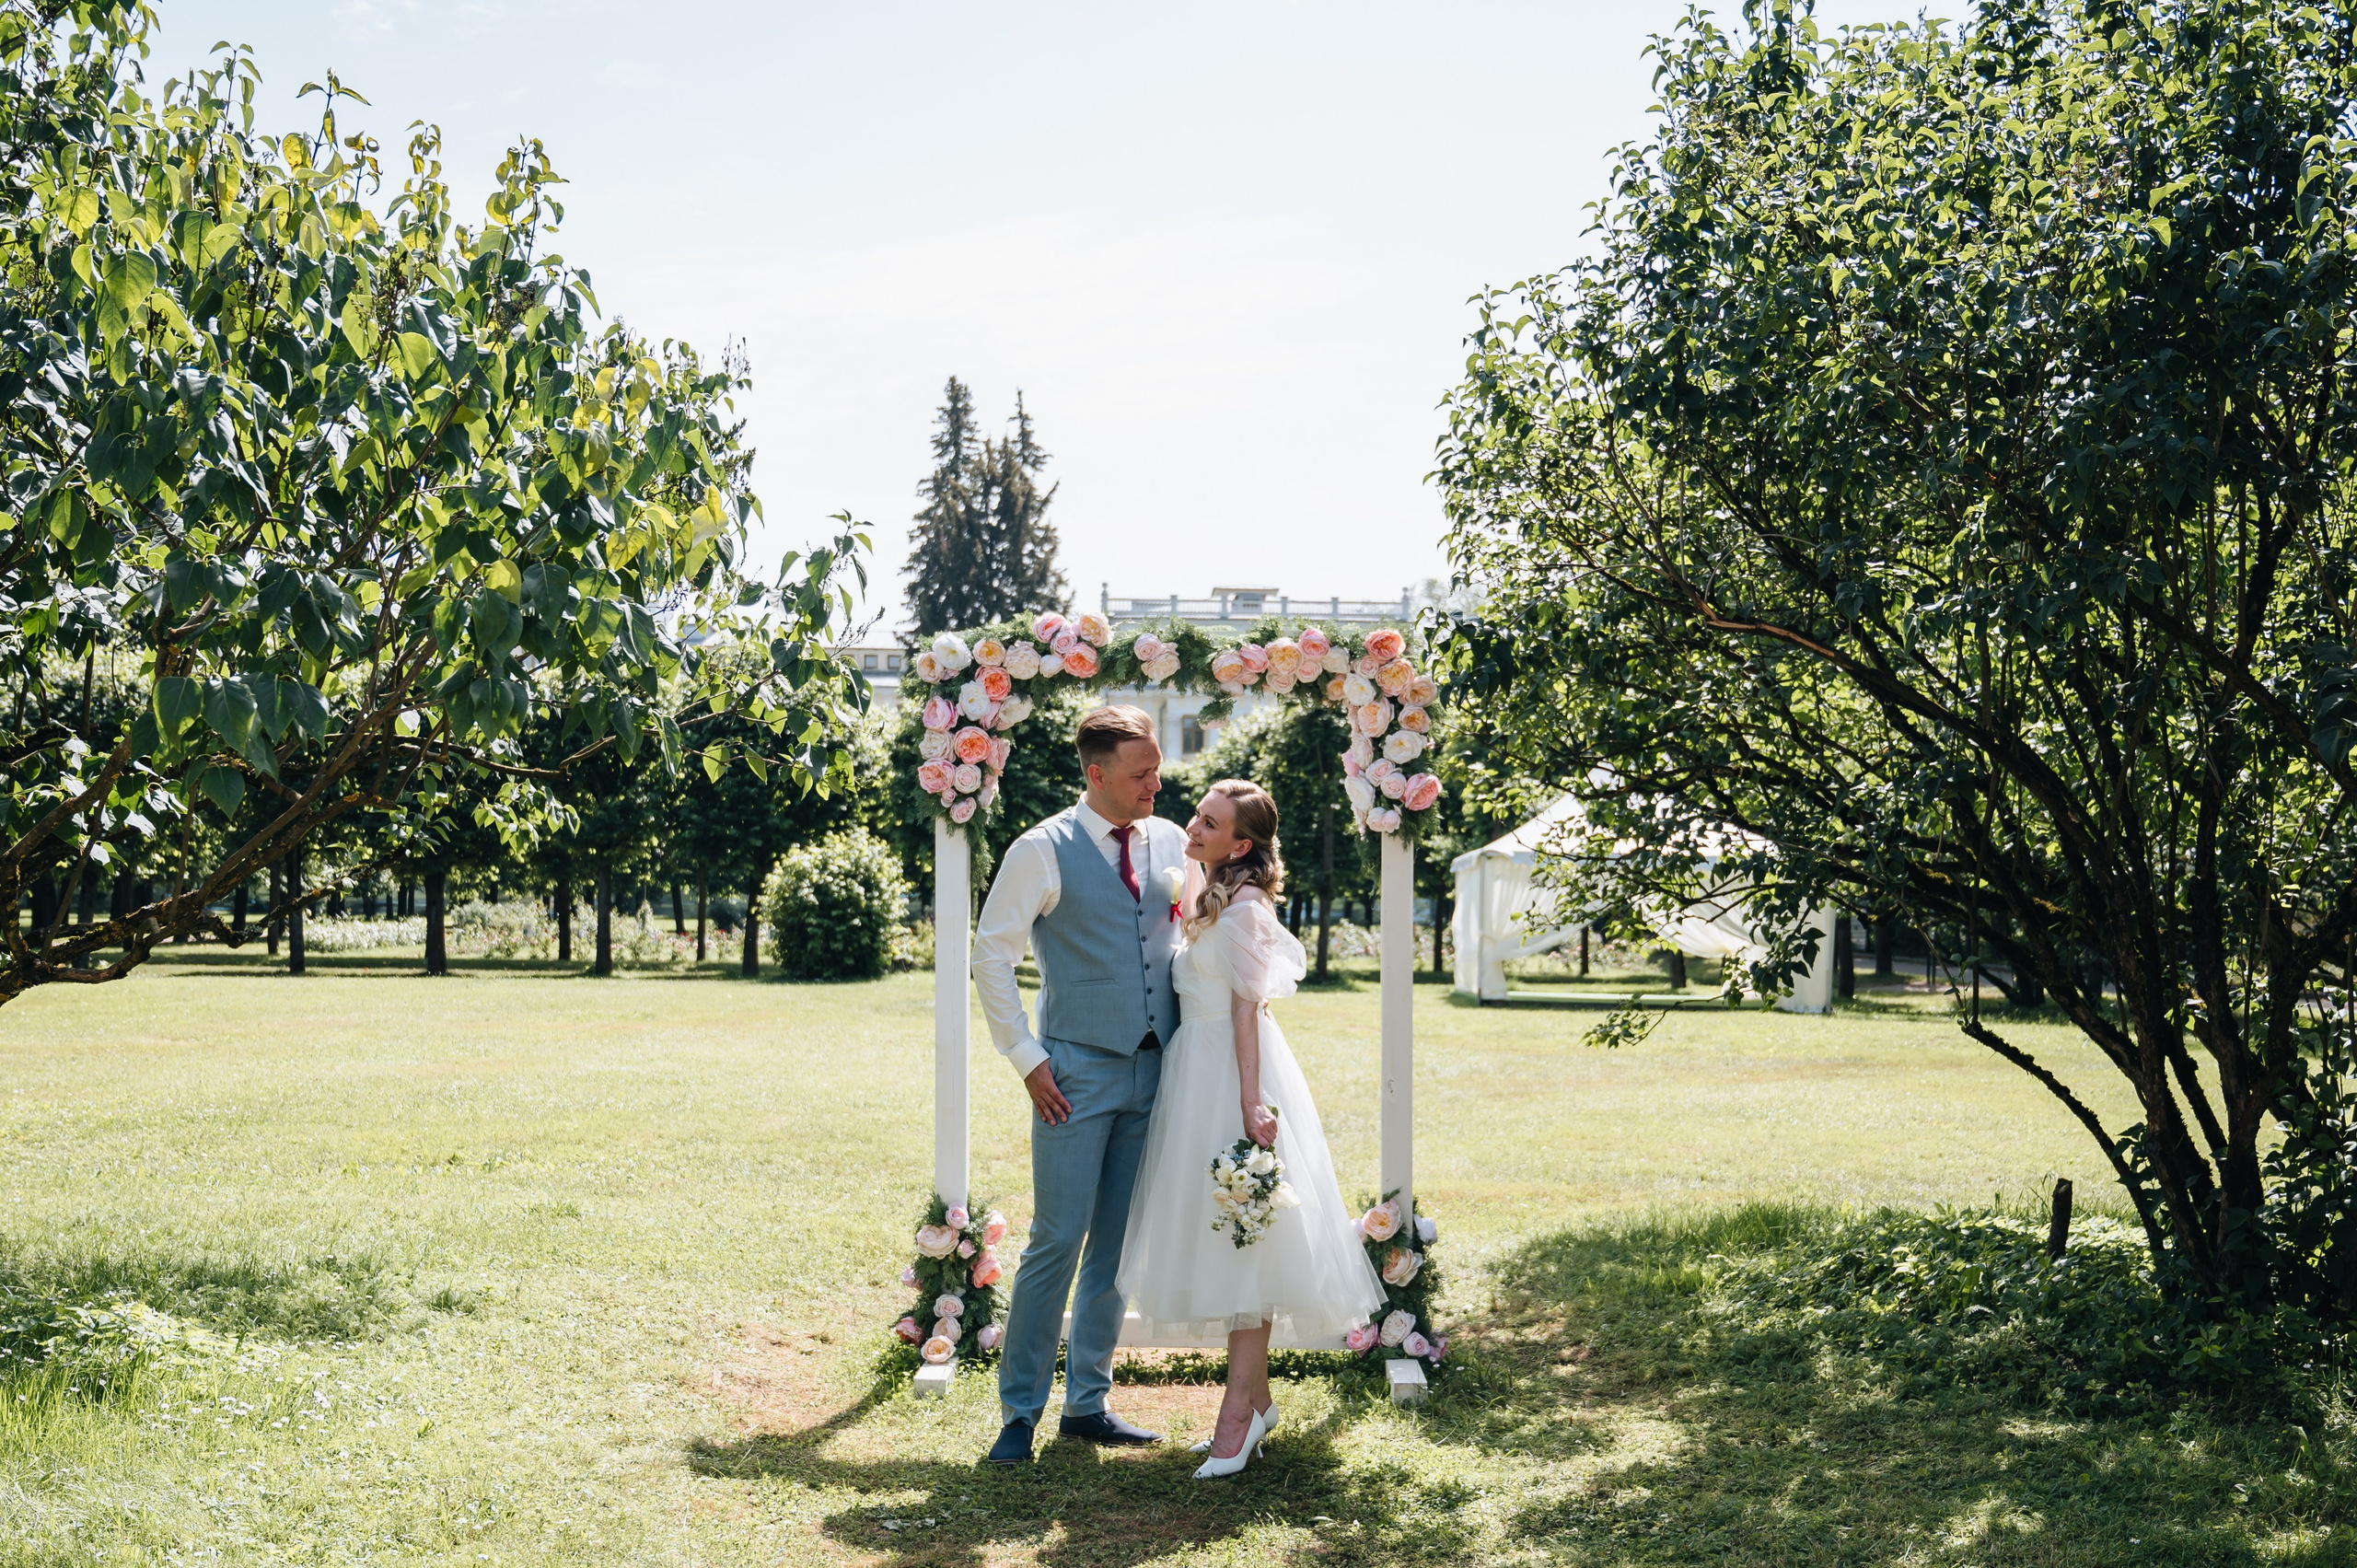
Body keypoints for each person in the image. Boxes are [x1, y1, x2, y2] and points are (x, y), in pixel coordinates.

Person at [1115, 778, 1386, 1480]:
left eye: (1209, 822)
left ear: (1241, 844)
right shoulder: (1209, 897)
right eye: (1197, 813)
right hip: (1193, 1070)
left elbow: (1245, 1013)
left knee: (1248, 1237)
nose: (1192, 825)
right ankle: (1256, 1398)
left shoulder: (1246, 913)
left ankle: (1236, 1416)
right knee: (1229, 1234)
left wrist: (1249, 1103)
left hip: (1233, 1076)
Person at [971, 704, 1191, 1468]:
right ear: (1096, 775)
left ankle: (1088, 1403)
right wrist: (1027, 1057)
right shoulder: (1042, 848)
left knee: (1117, 1246)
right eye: (1142, 773)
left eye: (1158, 768)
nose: (1156, 784)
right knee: (1057, 1240)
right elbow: (991, 954)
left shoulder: (1169, 840)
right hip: (1071, 1073)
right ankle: (1019, 1412)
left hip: (1155, 1068)